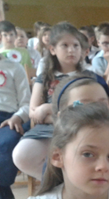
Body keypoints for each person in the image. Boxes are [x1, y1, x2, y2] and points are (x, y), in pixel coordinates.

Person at [12, 22, 93, 181]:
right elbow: (33, 111)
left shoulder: (87, 77)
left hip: (78, 128)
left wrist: (48, 108)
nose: (71, 50)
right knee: (21, 155)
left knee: (76, 155)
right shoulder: (45, 77)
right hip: (46, 130)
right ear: (52, 49)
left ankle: (70, 185)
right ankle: (58, 185)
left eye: (76, 45)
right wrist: (56, 114)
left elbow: (85, 109)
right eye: (65, 45)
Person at [0, 55, 31, 199]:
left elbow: (27, 102)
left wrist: (17, 117)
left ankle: (3, 185)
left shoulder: (14, 67)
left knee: (7, 143)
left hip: (10, 117)